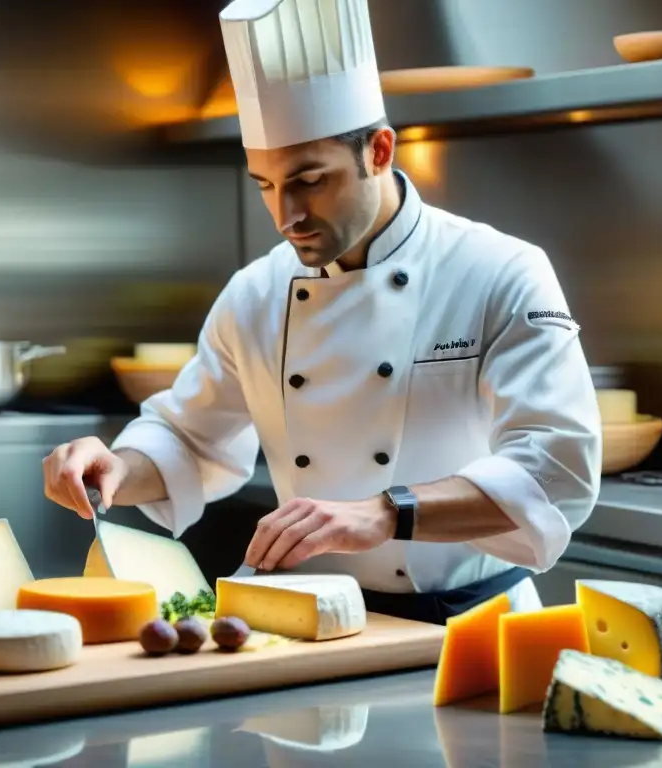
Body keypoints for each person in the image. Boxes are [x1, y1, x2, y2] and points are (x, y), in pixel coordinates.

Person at [42, 0, 601, 625]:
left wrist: (384, 513)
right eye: (265, 185)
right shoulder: (255, 294)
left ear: (381, 150)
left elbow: (557, 470)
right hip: (310, 626)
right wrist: (117, 467)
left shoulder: (499, 271)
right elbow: (188, 438)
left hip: (472, 631)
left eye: (311, 180)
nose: (287, 217)